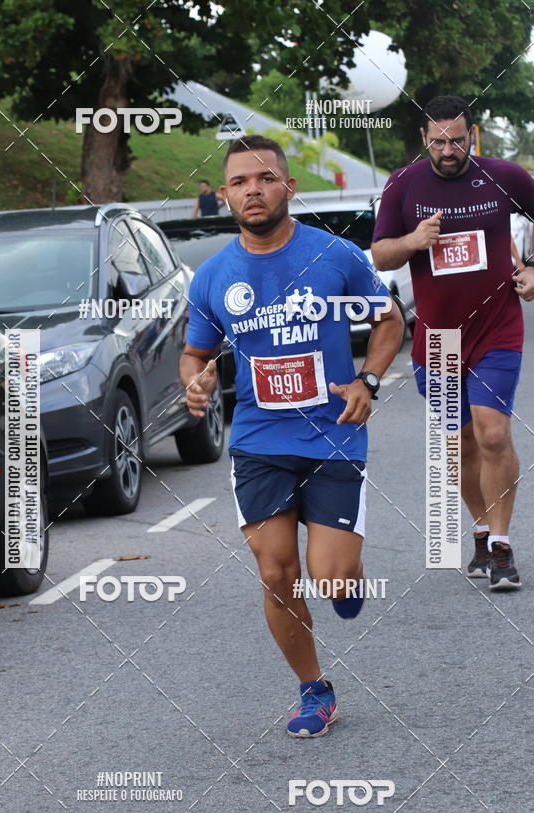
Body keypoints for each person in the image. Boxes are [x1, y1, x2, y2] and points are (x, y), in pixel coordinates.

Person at [179, 135, 403, 737]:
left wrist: (369, 380)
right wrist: (196, 386)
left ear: (288, 186)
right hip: (258, 440)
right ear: (225, 194)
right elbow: (195, 353)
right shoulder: (213, 277)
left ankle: (345, 577)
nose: (253, 189)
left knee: (329, 576)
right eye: (240, 182)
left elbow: (389, 320)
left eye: (265, 178)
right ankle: (314, 690)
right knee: (276, 570)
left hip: (333, 435)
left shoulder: (336, 256)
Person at [372, 95, 534, 590]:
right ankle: (481, 530)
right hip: (438, 338)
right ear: (424, 138)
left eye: (457, 141)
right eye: (439, 141)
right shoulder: (403, 184)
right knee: (459, 444)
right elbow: (381, 255)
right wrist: (413, 241)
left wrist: (531, 270)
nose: (448, 150)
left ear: (472, 136)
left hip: (497, 329)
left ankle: (502, 546)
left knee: (491, 433)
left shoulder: (504, 177)